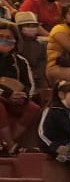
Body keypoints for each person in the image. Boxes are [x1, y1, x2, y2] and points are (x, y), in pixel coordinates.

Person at [0, 22, 40, 155]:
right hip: (3, 96)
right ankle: (11, 145)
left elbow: (29, 85)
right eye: (1, 36)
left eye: (9, 37)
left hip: (16, 98)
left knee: (33, 108)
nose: (5, 40)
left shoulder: (21, 61)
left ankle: (7, 144)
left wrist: (23, 97)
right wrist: (7, 94)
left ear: (15, 41)